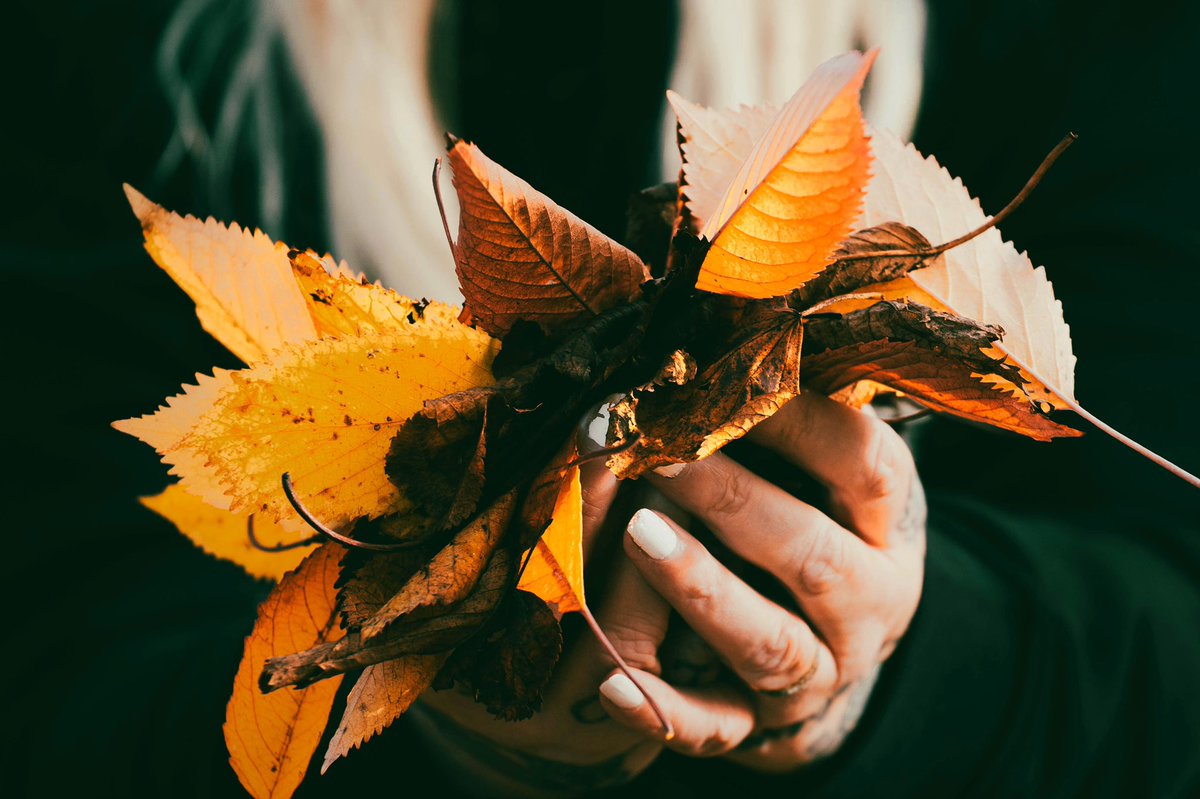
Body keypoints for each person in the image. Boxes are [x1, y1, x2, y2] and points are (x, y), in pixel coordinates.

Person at [4, 1, 1197, 797]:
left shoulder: (1078, 41)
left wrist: (901, 645)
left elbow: (1166, 646)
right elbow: (60, 660)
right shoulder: (150, 62)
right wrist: (447, 719)